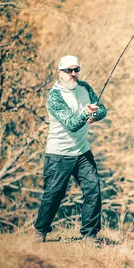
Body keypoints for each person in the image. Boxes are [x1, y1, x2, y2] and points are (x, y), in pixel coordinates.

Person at [34, 55, 107, 243]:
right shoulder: (54, 97)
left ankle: (90, 235)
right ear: (59, 73)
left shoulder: (85, 88)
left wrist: (95, 115)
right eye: (68, 71)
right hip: (58, 153)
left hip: (82, 151)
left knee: (93, 191)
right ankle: (40, 231)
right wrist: (85, 114)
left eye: (76, 70)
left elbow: (103, 109)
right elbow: (72, 124)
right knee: (54, 194)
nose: (73, 74)